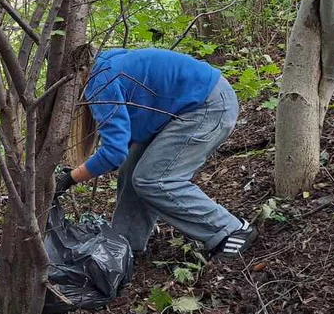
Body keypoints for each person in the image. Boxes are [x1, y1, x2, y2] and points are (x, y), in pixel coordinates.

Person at [55, 47, 257, 260]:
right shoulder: (106, 65)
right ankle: (125, 247)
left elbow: (113, 153)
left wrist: (69, 178)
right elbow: (119, 149)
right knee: (132, 172)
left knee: (153, 179)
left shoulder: (99, 81)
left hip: (206, 106)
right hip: (191, 106)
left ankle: (231, 229)